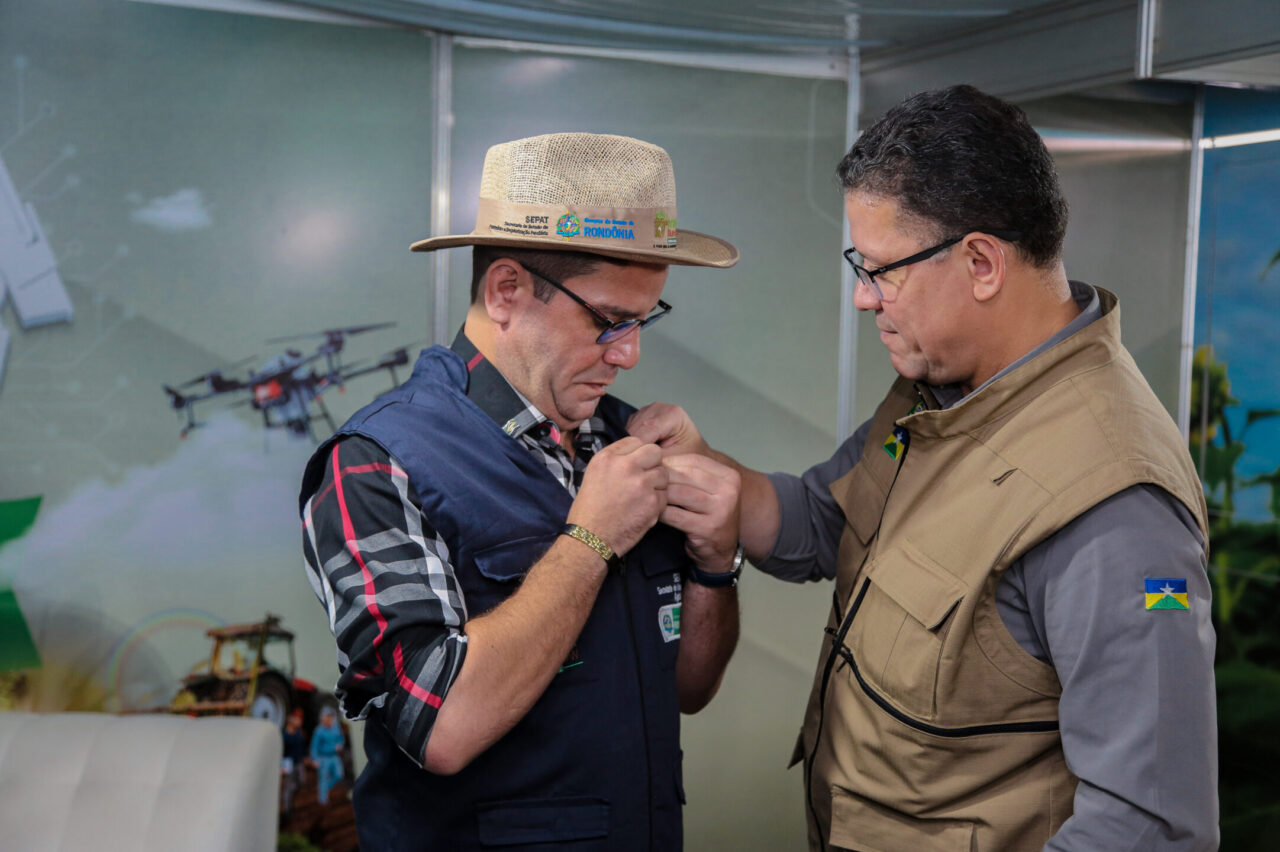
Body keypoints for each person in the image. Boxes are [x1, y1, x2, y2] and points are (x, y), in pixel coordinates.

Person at [630, 85, 1218, 851]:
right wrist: (711, 478)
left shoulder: (1113, 507)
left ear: (980, 262)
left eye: (879, 270)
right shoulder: (945, 390)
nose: (862, 298)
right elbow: (828, 518)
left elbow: (1147, 826)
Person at [299, 132, 743, 851]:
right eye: (608, 321)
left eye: (644, 320)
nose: (630, 354)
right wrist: (590, 541)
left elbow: (689, 688)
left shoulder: (624, 440)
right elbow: (440, 729)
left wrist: (718, 561)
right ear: (507, 291)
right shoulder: (376, 463)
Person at [309, 705, 346, 805]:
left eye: (330, 716)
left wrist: (340, 745)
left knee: (339, 775)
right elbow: (314, 747)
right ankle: (323, 801)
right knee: (323, 778)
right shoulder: (319, 730)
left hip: (334, 756)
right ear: (323, 718)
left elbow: (341, 739)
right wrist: (315, 759)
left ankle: (324, 788)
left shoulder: (336, 727)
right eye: (326, 716)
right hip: (323, 757)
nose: (328, 719)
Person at [280, 708, 308, 814]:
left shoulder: (299, 734)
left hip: (299, 762)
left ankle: (292, 792)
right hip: (289, 763)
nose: (299, 721)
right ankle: (287, 809)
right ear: (290, 719)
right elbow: (281, 752)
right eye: (296, 719)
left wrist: (305, 757)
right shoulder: (284, 736)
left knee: (301, 781)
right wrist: (281, 766)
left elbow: (302, 748)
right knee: (288, 786)